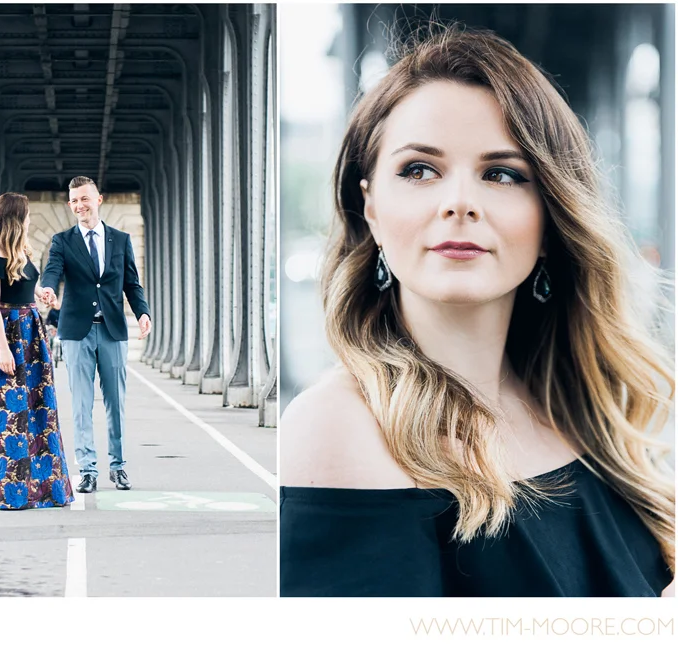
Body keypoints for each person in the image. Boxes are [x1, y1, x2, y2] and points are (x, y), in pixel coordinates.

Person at [279, 24, 675, 597]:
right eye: (419, 170)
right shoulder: (339, 427)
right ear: (370, 208)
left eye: (502, 174)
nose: (459, 202)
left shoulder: (578, 409)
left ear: (550, 218)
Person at [40, 176, 152, 494]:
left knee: (116, 402)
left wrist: (143, 312)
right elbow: (53, 269)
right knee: (81, 403)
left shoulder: (121, 239)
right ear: (69, 204)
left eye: (84, 199)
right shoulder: (62, 241)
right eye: (74, 200)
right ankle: (87, 469)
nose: (79, 206)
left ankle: (118, 467)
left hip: (113, 330)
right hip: (77, 331)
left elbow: (132, 283)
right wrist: (48, 287)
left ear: (98, 199)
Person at [0, 192, 74, 510]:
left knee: (39, 409)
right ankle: (12, 491)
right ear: (16, 218)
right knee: (10, 415)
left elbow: (27, 286)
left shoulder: (22, 251)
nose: (30, 220)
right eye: (27, 215)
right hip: (6, 335)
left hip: (31, 333)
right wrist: (3, 350)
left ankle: (43, 488)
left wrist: (43, 292)